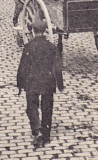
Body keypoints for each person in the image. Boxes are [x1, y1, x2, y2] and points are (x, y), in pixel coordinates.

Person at [17, 17, 64, 148]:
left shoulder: (28, 47)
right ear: (44, 31)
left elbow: (23, 67)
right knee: (47, 108)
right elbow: (57, 68)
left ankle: (36, 129)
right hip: (48, 82)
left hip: (32, 82)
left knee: (31, 107)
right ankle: (46, 135)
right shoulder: (52, 47)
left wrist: (20, 84)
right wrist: (60, 84)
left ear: (32, 30)